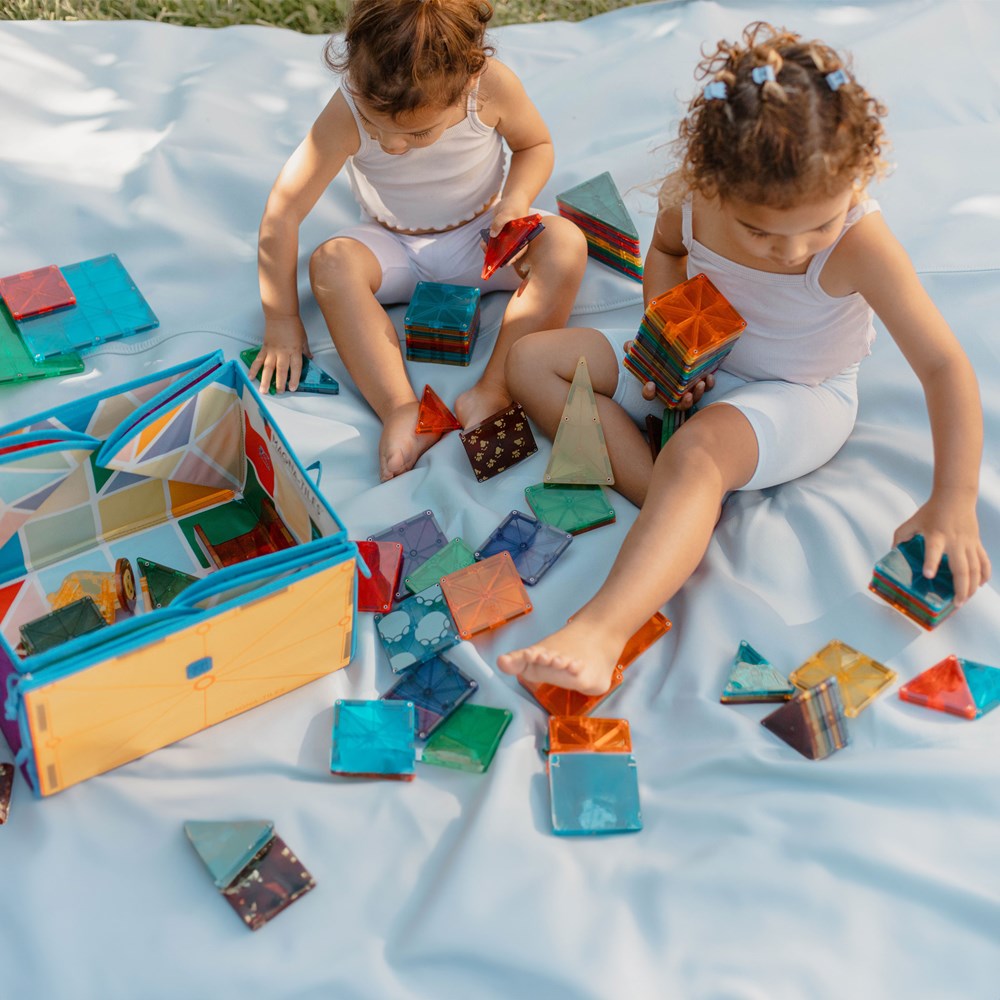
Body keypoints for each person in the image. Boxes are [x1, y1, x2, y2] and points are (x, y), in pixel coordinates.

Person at [497, 21, 991, 695]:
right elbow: (666, 255)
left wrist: (954, 500)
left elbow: (944, 366)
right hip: (704, 350)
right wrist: (670, 334)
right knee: (532, 361)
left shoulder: (859, 243)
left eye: (818, 224)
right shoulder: (691, 198)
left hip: (800, 390)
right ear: (714, 182)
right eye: (761, 231)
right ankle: (667, 496)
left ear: (859, 178)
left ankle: (599, 631)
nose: (792, 251)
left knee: (699, 452)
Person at [253, 0, 587, 482]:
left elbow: (534, 145)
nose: (391, 145)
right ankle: (400, 408)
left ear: (468, 83)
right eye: (375, 124)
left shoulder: (490, 86)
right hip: (394, 246)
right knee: (330, 263)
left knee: (567, 244)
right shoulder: (346, 110)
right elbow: (283, 211)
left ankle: (493, 389)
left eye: (417, 133)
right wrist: (281, 319)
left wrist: (515, 202)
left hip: (483, 236)